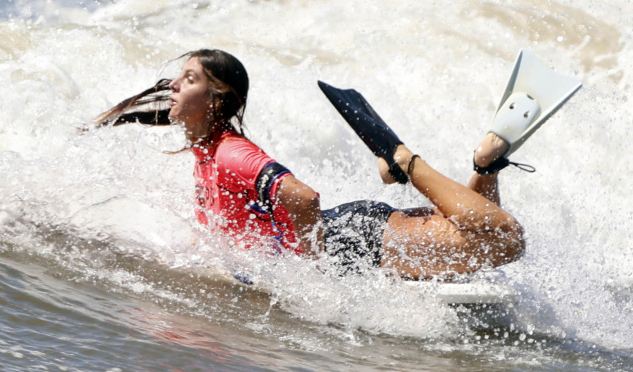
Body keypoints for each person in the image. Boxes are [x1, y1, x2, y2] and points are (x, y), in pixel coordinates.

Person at [96, 49, 525, 279]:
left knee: (505, 240)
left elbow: (302, 197)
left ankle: (403, 160)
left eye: (189, 79)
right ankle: (485, 166)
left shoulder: (230, 153)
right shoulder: (206, 152)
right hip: (349, 231)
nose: (173, 84)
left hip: (356, 242)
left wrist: (311, 271)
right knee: (478, 233)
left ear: (216, 99)